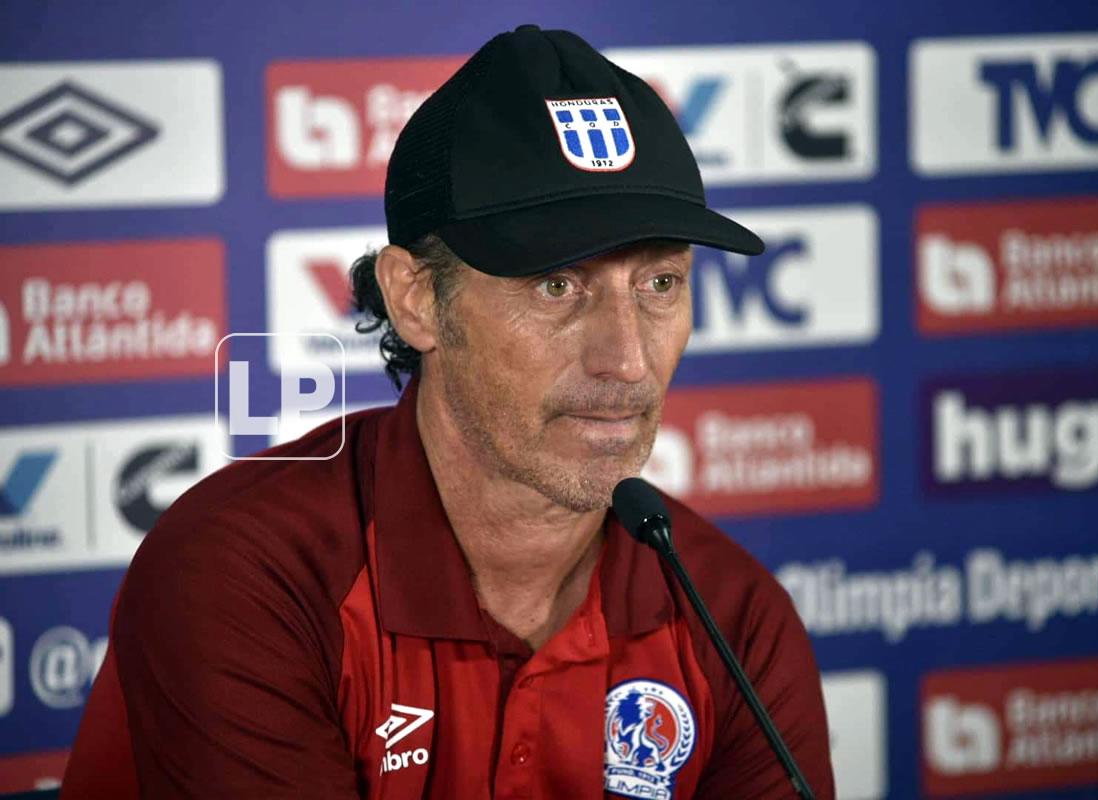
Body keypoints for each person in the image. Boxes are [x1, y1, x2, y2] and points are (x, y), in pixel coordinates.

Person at [61, 24, 834, 799]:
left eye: (659, 285)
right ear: (416, 300)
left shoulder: (733, 619)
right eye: (557, 286)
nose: (627, 360)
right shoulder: (245, 575)